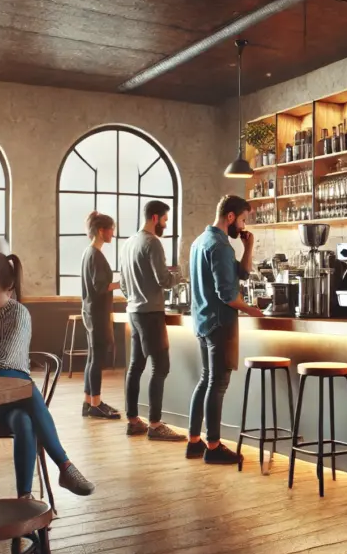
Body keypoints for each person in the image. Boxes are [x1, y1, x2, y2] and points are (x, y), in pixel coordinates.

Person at [0, 252, 95, 499]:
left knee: (22, 418)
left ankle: (24, 498)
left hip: (13, 399)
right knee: (23, 384)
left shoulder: (18, 314)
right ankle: (64, 466)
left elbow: (3, 361)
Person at [186, 195, 265, 464]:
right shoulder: (219, 246)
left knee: (206, 381)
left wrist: (248, 246)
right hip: (220, 323)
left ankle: (194, 442)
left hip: (202, 320)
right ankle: (214, 446)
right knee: (217, 385)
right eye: (242, 219)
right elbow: (228, 295)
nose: (243, 226)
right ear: (230, 216)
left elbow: (241, 274)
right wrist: (252, 310)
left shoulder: (200, 242)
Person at [118, 200, 184, 441]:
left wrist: (135, 297)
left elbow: (123, 283)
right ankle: (155, 425)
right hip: (151, 313)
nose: (165, 225)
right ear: (155, 218)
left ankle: (134, 420)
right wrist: (178, 275)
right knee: (161, 367)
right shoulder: (152, 243)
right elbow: (164, 280)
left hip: (133, 312)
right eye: (165, 220)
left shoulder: (128, 243)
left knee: (135, 367)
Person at [81, 212, 122, 420]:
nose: (113, 233)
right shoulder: (96, 255)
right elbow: (100, 287)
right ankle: (95, 404)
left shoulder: (89, 253)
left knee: (92, 358)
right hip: (97, 313)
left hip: (90, 311)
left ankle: (89, 401)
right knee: (97, 359)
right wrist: (122, 283)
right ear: (101, 231)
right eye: (111, 229)